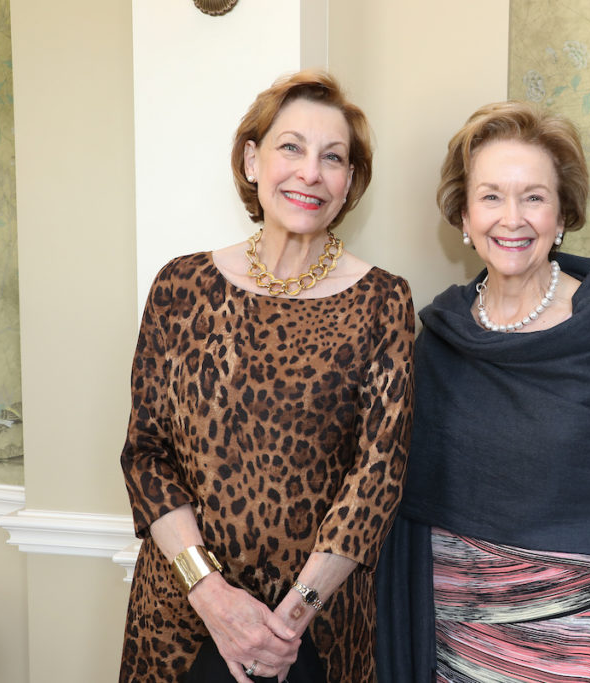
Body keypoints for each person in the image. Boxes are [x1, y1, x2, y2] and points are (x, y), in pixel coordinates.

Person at [119, 70, 414, 682]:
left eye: (333, 158)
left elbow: (377, 477)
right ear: (253, 160)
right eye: (291, 147)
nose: (310, 172)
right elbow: (145, 458)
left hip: (313, 632)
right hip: (180, 615)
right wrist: (212, 595)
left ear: (350, 182)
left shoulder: (384, 301)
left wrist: (289, 620)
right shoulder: (180, 287)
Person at [375, 102, 590, 683]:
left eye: (533, 197)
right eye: (491, 196)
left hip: (577, 629)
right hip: (451, 626)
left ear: (562, 216)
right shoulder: (440, 335)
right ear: (464, 215)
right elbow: (400, 488)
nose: (512, 218)